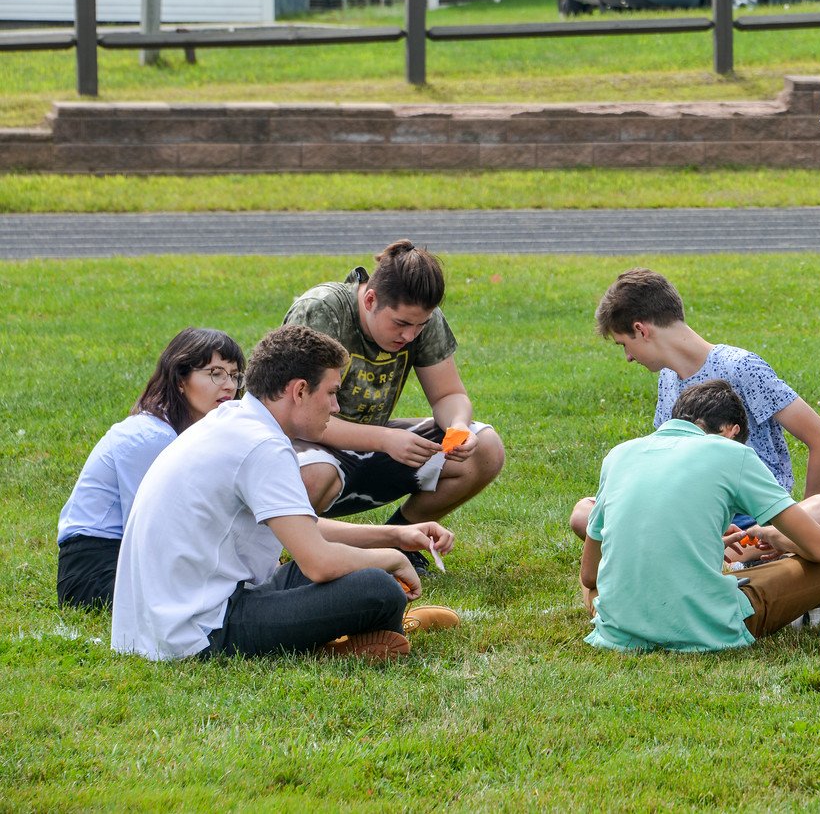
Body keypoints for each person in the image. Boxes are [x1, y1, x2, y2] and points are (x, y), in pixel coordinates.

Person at [111, 325, 460, 662]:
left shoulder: (236, 421)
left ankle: (356, 634)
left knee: (354, 572)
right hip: (199, 633)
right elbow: (319, 563)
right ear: (299, 391)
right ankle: (346, 638)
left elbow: (301, 526)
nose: (336, 407)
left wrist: (396, 536)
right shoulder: (262, 445)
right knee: (376, 587)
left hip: (164, 623)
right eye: (332, 392)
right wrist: (394, 558)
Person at [580, 380, 820, 653]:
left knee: (597, 587)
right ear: (732, 431)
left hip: (618, 626)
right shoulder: (731, 452)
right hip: (707, 626)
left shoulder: (618, 455)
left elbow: (589, 576)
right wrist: (774, 536)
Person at [569, 268, 820, 538]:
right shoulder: (667, 378)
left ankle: (765, 550)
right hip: (691, 517)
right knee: (584, 514)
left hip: (752, 521)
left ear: (640, 330)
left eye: (623, 344)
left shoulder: (741, 367)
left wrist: (798, 533)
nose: (628, 357)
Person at [285, 239, 505, 539]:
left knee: (487, 448)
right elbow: (298, 418)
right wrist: (385, 439)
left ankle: (402, 541)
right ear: (370, 299)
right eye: (401, 323)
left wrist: (458, 426)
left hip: (370, 445)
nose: (410, 335)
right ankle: (304, 549)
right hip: (302, 446)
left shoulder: (421, 320)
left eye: (420, 326)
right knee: (314, 474)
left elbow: (448, 395)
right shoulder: (322, 310)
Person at [56, 327, 246, 609]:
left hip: (131, 558)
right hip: (93, 570)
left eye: (234, 375)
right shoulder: (151, 437)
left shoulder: (193, 434)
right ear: (180, 380)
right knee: (212, 601)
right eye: (215, 373)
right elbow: (152, 532)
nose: (229, 385)